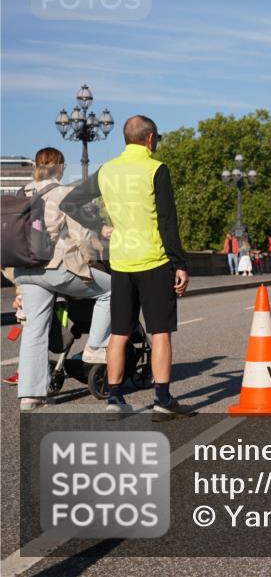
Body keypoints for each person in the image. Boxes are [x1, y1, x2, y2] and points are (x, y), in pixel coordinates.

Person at [61, 115, 193, 420]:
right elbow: (167, 221)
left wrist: (100, 225)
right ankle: (162, 399)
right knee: (160, 332)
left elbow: (71, 203)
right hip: (154, 259)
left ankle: (115, 399)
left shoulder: (107, 170)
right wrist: (180, 264)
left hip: (120, 262)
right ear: (150, 139)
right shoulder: (155, 169)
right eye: (156, 138)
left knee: (119, 332)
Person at [12, 148, 113, 411]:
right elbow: (82, 238)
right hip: (55, 269)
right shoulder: (64, 193)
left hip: (25, 271)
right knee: (112, 291)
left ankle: (30, 397)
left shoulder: (22, 192)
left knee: (35, 329)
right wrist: (96, 256)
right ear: (60, 167)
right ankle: (95, 347)